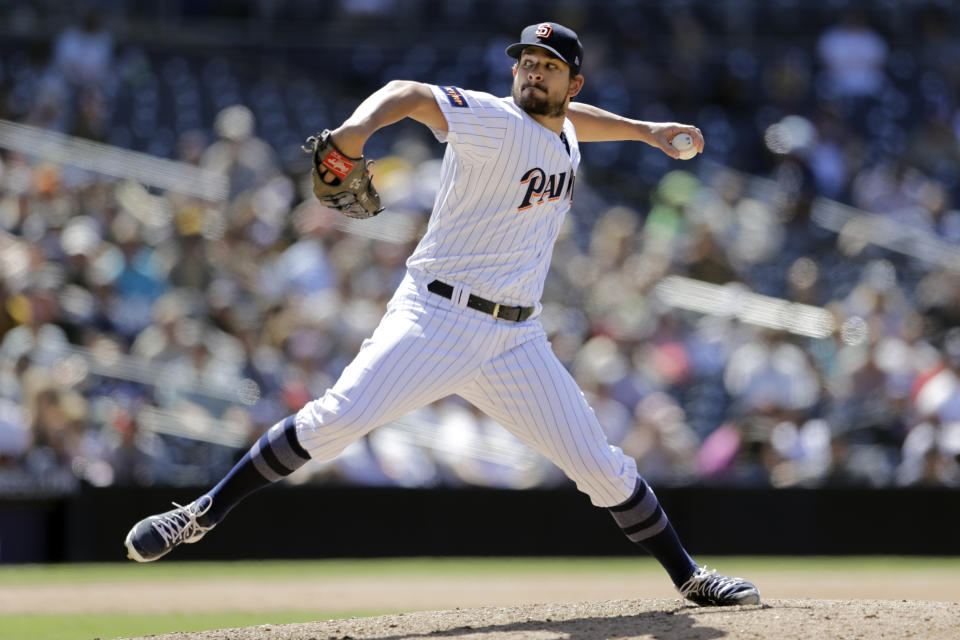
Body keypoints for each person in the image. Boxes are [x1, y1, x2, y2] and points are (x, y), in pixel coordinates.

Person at [124, 22, 759, 607]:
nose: (533, 72)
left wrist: (644, 131)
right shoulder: (492, 121)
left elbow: (574, 126)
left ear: (573, 82)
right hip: (435, 317)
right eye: (527, 63)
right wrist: (350, 139)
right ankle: (200, 513)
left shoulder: (562, 128)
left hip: (516, 338)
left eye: (549, 66)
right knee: (334, 422)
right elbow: (405, 92)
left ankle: (689, 577)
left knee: (600, 464)